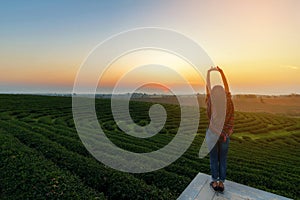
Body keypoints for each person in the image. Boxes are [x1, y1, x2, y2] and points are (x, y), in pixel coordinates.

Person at [205, 66, 234, 193]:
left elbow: (207, 86)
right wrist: (221, 72)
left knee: (213, 159)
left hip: (212, 134)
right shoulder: (227, 100)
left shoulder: (211, 100)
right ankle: (221, 183)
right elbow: (226, 86)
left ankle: (214, 181)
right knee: (222, 158)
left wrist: (208, 73)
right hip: (225, 135)